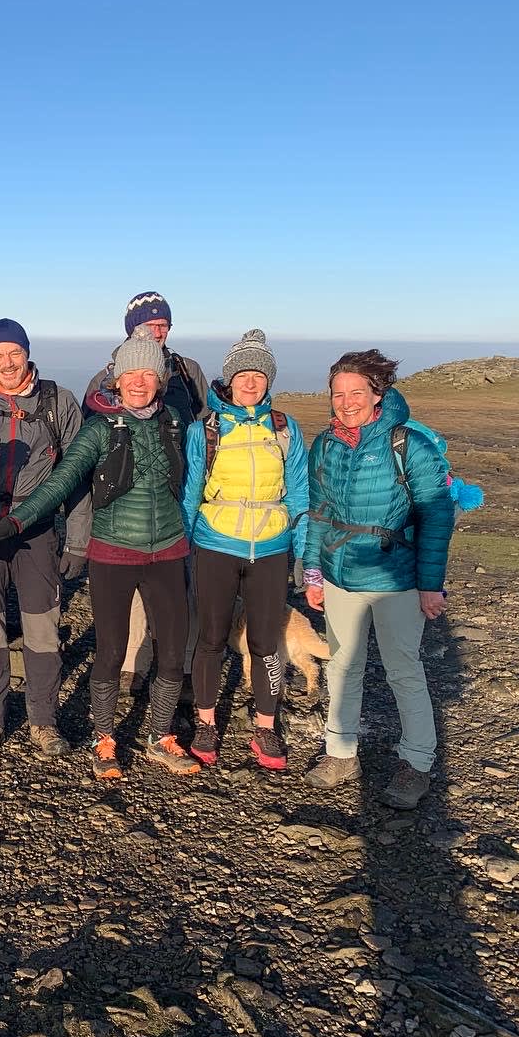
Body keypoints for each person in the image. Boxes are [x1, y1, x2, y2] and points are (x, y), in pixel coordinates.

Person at [0, 333, 189, 778]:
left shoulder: (174, 420)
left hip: (169, 550)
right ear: (117, 380)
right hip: (113, 554)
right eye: (130, 373)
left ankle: (160, 736)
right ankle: (104, 739)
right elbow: (61, 481)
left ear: (160, 379)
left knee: (173, 653)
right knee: (111, 651)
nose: (139, 381)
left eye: (148, 373)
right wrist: (17, 522)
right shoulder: (99, 429)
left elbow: (191, 482)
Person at [301, 349, 455, 809]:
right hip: (340, 574)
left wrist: (430, 584)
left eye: (356, 392)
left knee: (403, 669)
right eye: (338, 394)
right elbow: (319, 511)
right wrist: (313, 571)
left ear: (377, 394)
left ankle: (417, 763)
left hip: (397, 578)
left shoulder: (409, 444)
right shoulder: (325, 444)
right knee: (341, 667)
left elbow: (436, 515)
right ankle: (340, 753)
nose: (346, 402)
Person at [0, 319, 88, 762]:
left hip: (38, 528)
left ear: (27, 353)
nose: (7, 363)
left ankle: (43, 721)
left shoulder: (57, 401)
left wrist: (78, 541)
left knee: (43, 628)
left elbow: (77, 474)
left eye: (14, 353)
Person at [182, 329, 309, 771]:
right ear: (229, 379)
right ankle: (205, 723)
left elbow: (300, 493)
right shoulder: (205, 430)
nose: (250, 383)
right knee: (211, 637)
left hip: (271, 546)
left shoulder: (285, 428)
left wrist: (302, 552)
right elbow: (190, 491)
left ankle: (266, 727)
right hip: (215, 543)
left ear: (268, 380)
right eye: (242, 375)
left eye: (259, 375)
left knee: (265, 641)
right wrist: (186, 547)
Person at [84, 291, 210, 692]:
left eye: (163, 324)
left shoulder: (187, 370)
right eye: (148, 324)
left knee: (179, 585)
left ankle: (181, 665)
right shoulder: (107, 375)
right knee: (132, 586)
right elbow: (91, 437)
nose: (157, 331)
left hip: (178, 488)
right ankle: (133, 663)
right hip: (125, 499)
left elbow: (203, 420)